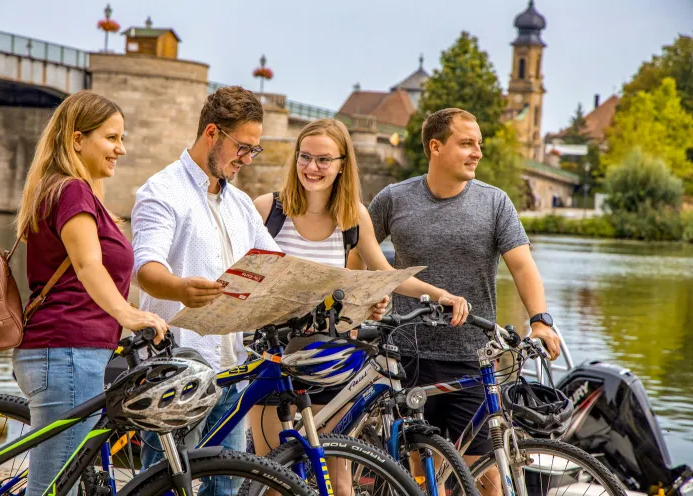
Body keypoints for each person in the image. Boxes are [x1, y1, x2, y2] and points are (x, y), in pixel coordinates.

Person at [250, 118, 471, 494]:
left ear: (341, 164)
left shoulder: (352, 217)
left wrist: (439, 294)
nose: (312, 167)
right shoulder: (267, 210)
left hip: (335, 360)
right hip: (277, 358)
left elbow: (387, 273)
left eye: (323, 160)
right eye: (305, 157)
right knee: (277, 482)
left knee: (339, 483)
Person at [359, 107, 561, 492]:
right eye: (467, 143)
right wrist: (366, 298)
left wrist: (540, 319)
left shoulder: (494, 202)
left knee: (485, 478)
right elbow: (358, 255)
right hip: (409, 356)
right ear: (435, 146)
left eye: (479, 144)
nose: (477, 152)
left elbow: (522, 266)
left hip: (475, 357)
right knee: (422, 472)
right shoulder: (394, 199)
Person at [12, 90, 168, 496]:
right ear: (77, 139)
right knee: (51, 489)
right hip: (67, 353)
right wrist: (129, 315)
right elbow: (86, 267)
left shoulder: (69, 189)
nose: (122, 148)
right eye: (112, 138)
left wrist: (129, 312)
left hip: (69, 352)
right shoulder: (72, 191)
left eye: (123, 137)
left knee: (65, 482)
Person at [131, 86, 280, 496]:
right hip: (176, 373)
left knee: (225, 491)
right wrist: (179, 287)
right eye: (243, 147)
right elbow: (145, 268)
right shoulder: (162, 190)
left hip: (231, 373)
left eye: (255, 150)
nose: (247, 159)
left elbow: (279, 267)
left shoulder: (241, 204)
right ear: (212, 133)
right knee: (162, 488)